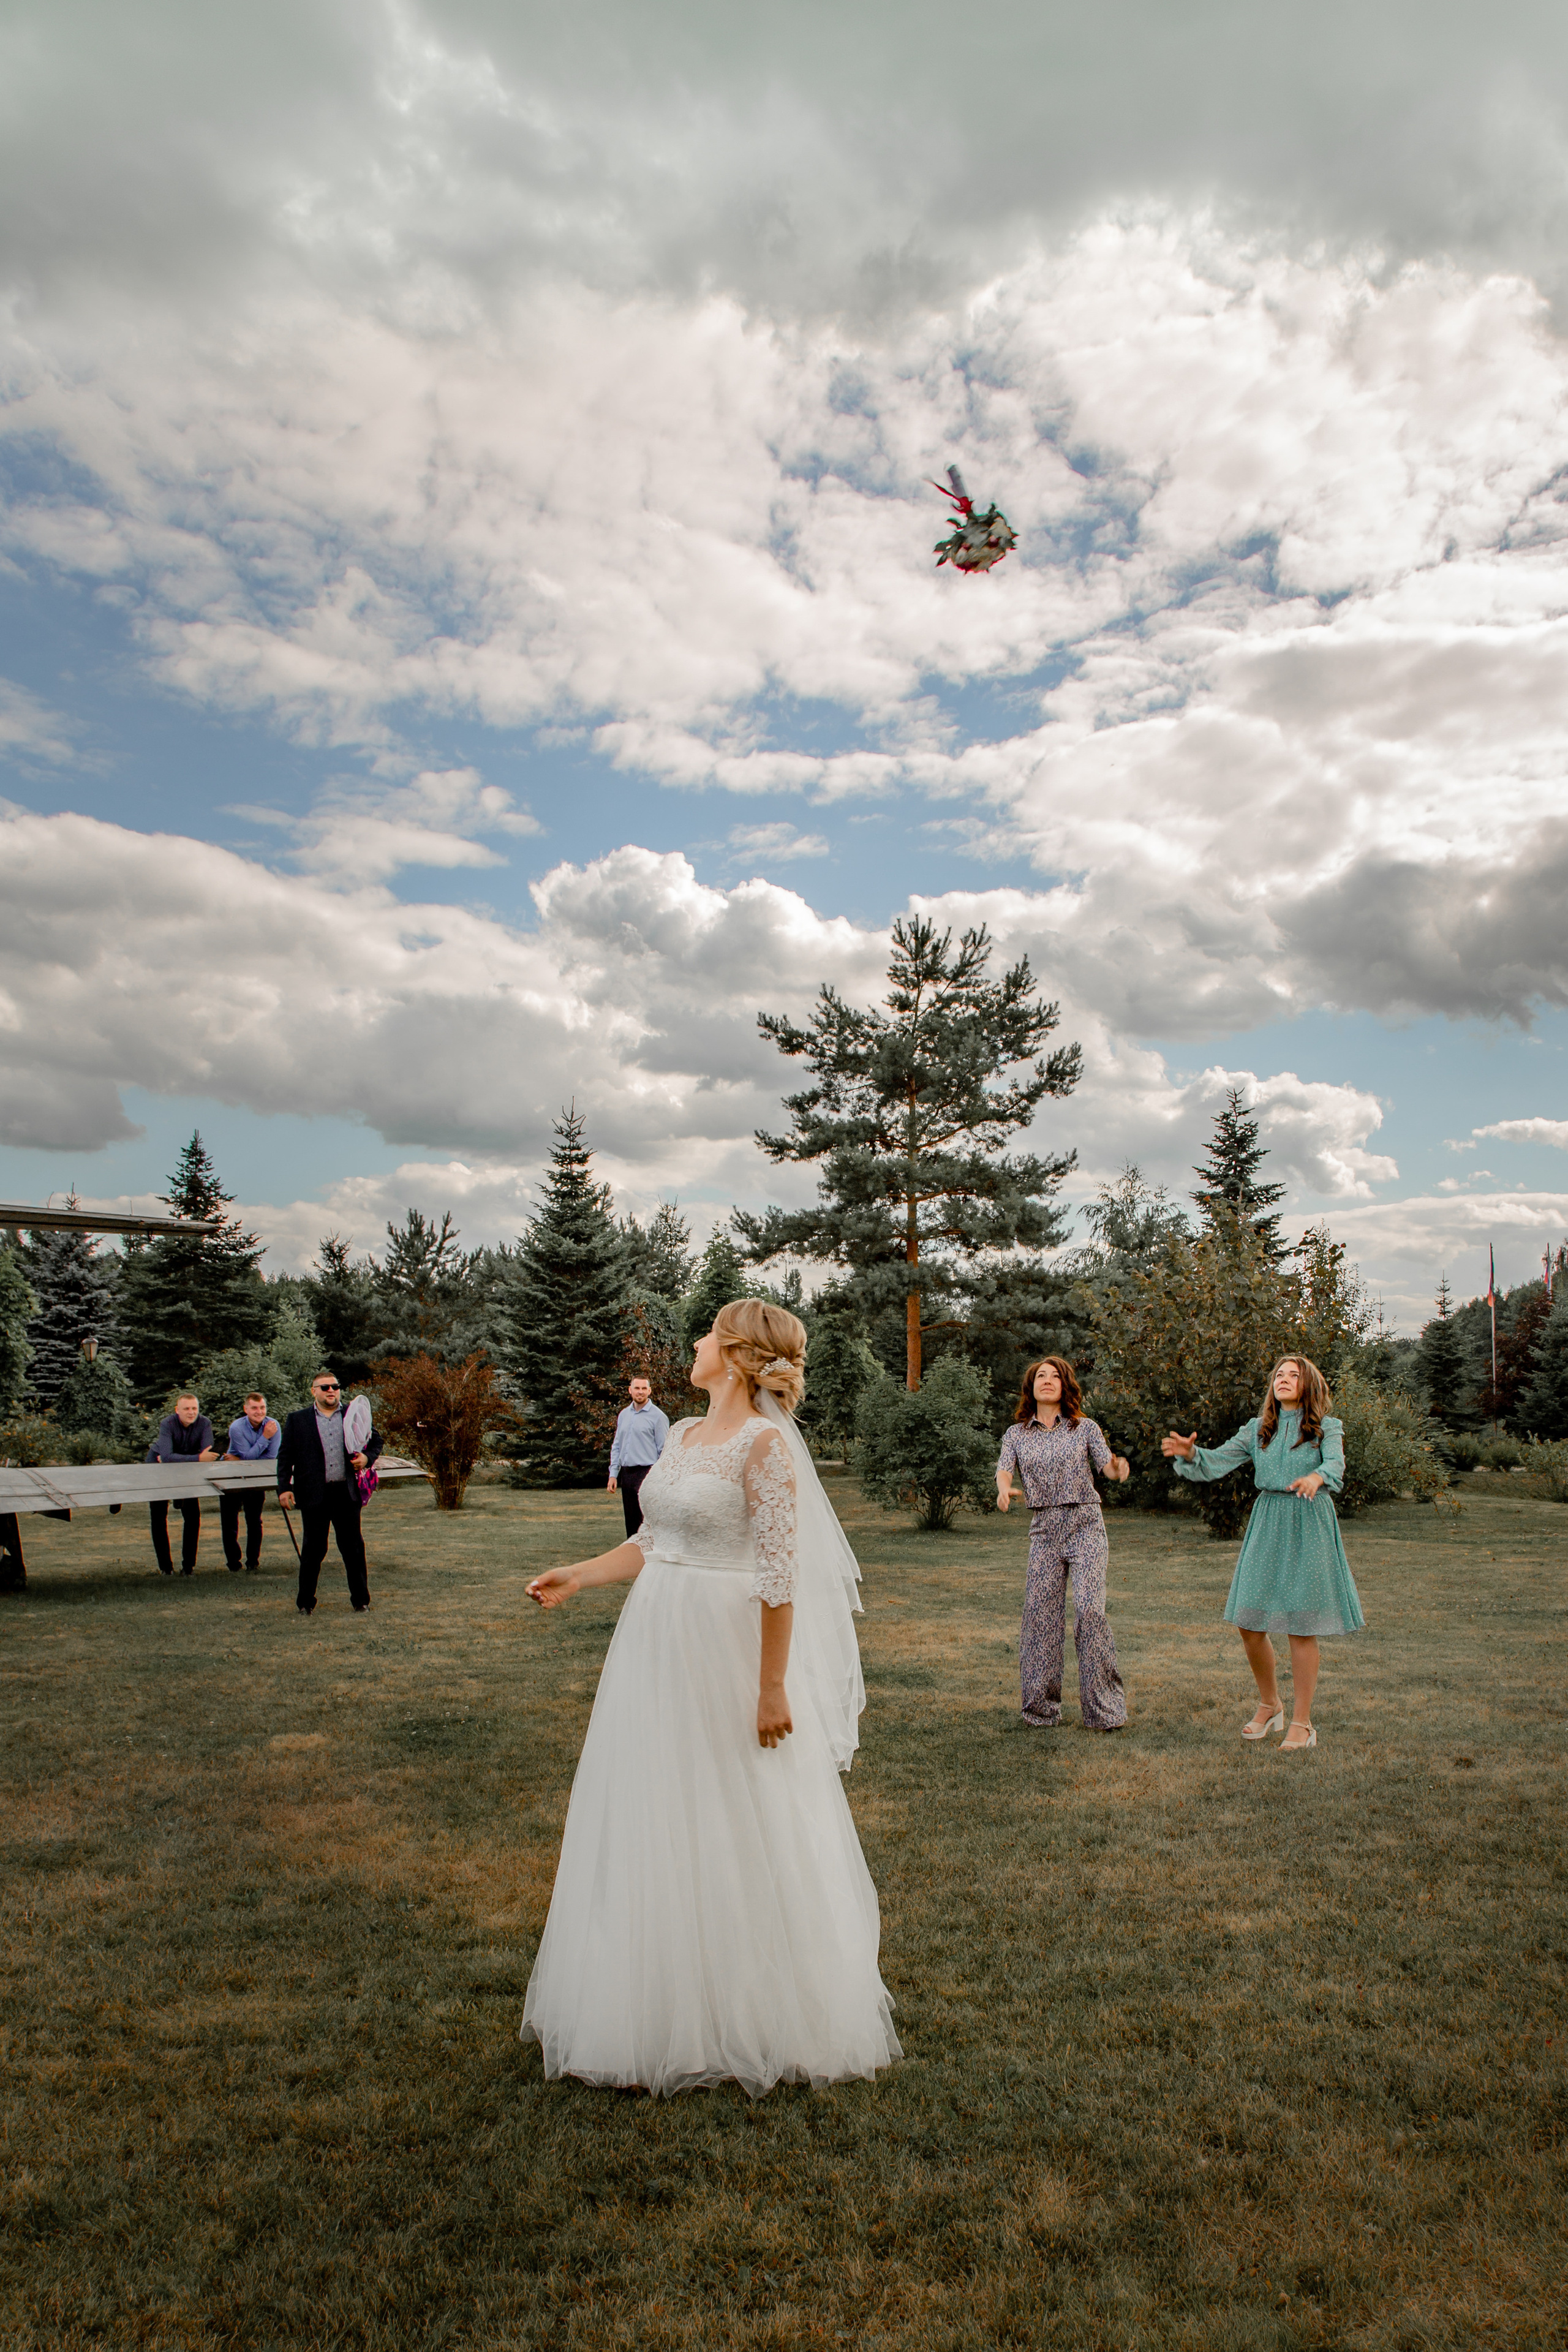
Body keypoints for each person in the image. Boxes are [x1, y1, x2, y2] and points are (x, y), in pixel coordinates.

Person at [522, 1298, 900, 2097]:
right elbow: (656, 1541)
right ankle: (658, 1994)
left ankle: (764, 2007)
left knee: (743, 1811)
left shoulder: (766, 1447)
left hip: (727, 1650)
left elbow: (779, 1576)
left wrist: (771, 1689)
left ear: (732, 1355)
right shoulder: (687, 1436)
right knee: (660, 1806)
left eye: (704, 1333)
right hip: (655, 1639)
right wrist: (579, 1576)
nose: (689, 1343)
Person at [1161, 1354, 1363, 1752]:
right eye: (1279, 1375)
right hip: (1268, 1521)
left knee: (1301, 1625)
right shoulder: (1258, 1430)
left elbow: (1336, 1465)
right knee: (1250, 1622)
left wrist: (1317, 1475)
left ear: (1310, 1384)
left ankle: (1303, 1723)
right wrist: (1190, 1455)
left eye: (1294, 1375)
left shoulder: (1327, 1427)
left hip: (1309, 1522)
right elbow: (1216, 1461)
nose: (1284, 1380)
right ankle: (1271, 1706)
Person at [995, 1357, 1131, 1732]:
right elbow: (1005, 1468)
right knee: (1040, 1617)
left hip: (1086, 1523)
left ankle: (1105, 1713)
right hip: (1044, 1529)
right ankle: (1040, 1711)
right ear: (1031, 1386)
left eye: (1056, 1376)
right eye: (1041, 1375)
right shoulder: (1016, 1434)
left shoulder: (1085, 1428)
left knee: (1090, 1612)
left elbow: (1107, 1466)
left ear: (1065, 1386)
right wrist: (1004, 1489)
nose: (1048, 1381)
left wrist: (1118, 1469)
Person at [276, 1372, 383, 1616]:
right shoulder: (298, 1420)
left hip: (346, 1493)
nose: (331, 1391)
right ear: (313, 1391)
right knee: (313, 1550)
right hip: (314, 1494)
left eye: (335, 1386)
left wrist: (367, 1458)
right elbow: (285, 1457)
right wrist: (284, 1488)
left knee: (353, 1548)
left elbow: (376, 1441)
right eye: (325, 1387)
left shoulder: (352, 1414)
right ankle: (305, 1603)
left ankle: (361, 1601)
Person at [146, 1393, 218, 1576]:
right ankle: (166, 1568)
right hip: (157, 1468)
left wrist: (178, 1459)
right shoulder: (167, 1424)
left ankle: (188, 1567)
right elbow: (167, 1455)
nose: (191, 1412)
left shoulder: (205, 1424)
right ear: (177, 1410)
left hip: (187, 1472)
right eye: (186, 1409)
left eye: (194, 1408)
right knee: (159, 1516)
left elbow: (207, 1454)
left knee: (193, 1516)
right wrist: (196, 1458)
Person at [221, 1392, 280, 1573]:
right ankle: (233, 1563)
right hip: (232, 1477)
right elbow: (248, 1457)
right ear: (246, 1409)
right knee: (230, 1521)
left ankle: (253, 1562)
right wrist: (265, 1439)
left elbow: (270, 1458)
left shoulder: (273, 1426)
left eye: (262, 1407)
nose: (259, 1412)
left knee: (254, 1520)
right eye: (254, 1408)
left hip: (257, 1478)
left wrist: (267, 1436)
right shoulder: (237, 1428)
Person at [606, 1373, 669, 1538]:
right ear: (630, 1390)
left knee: (647, 1523)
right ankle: (634, 1560)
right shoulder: (624, 1415)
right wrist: (614, 1474)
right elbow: (617, 1446)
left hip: (647, 1474)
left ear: (649, 1391)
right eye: (637, 1388)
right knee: (632, 1523)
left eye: (644, 1388)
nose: (640, 1392)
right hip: (627, 1475)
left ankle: (650, 1559)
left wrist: (661, 1479)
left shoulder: (658, 1417)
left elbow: (664, 1451)